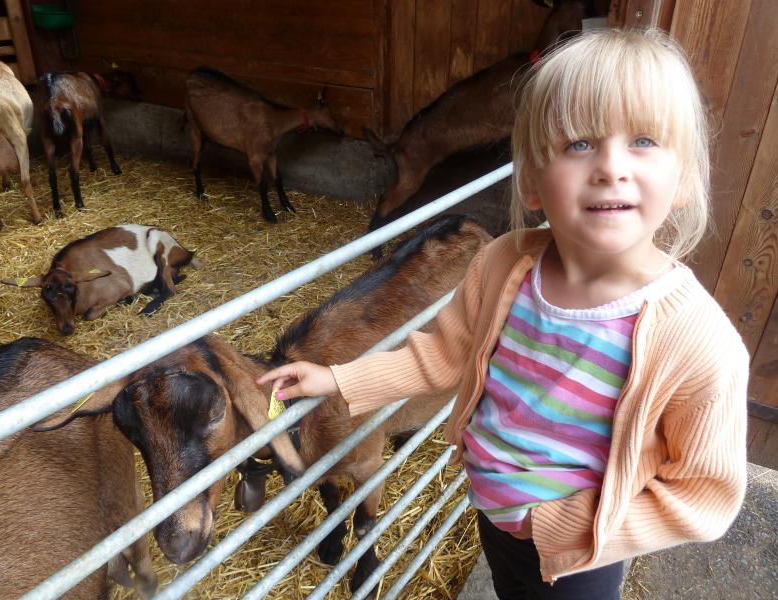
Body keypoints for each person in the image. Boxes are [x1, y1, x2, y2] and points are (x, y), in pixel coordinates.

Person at [257, 28, 749, 600]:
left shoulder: (696, 341)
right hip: (492, 517)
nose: (611, 167)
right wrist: (338, 379)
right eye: (579, 144)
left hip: (579, 556)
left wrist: (566, 528)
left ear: (683, 178)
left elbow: (705, 493)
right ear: (533, 183)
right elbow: (442, 356)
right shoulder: (503, 265)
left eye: (643, 140)